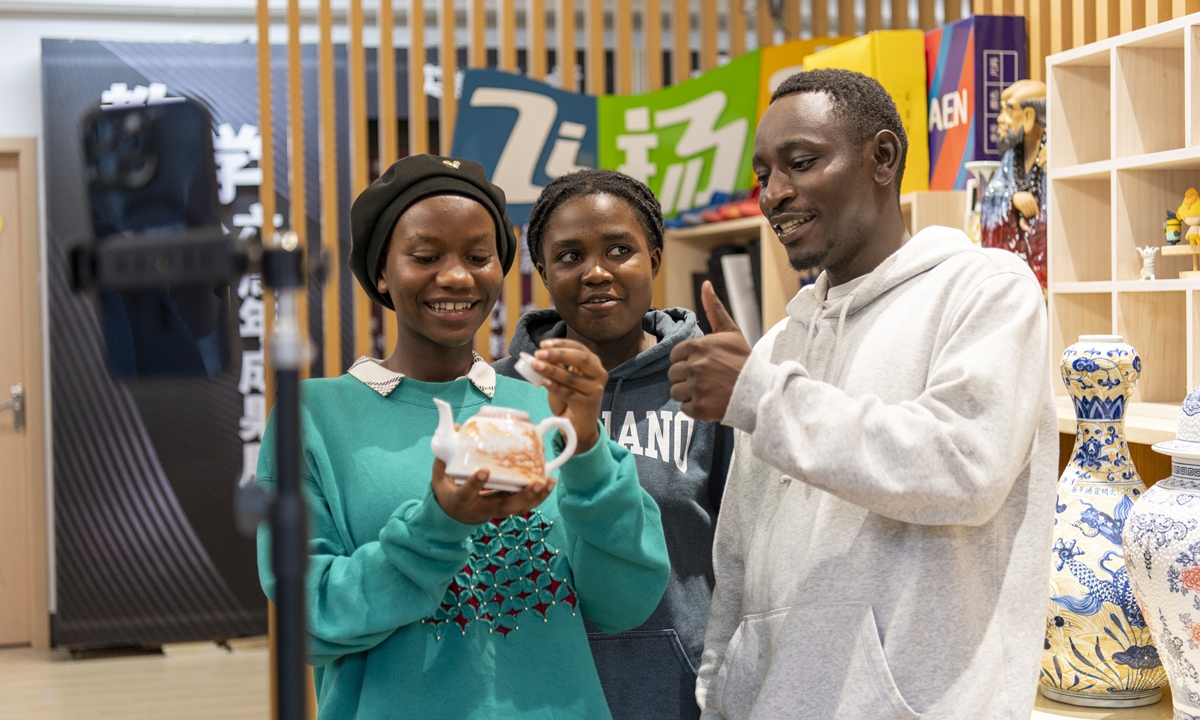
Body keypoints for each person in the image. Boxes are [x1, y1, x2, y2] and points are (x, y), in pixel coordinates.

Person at [670, 69, 1057, 719]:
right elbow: (737, 556)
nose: (776, 194)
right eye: (764, 175)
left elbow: (965, 468)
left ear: (882, 157)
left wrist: (764, 397)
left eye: (802, 162)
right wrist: (717, 693)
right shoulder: (775, 351)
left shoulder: (985, 292)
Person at [254, 154, 671, 719]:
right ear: (381, 272)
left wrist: (590, 454)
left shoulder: (539, 407)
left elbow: (624, 601)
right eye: (426, 256)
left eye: (479, 257)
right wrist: (438, 523)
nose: (456, 276)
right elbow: (308, 619)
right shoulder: (315, 418)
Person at [495, 169, 733, 720]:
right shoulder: (502, 392)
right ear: (545, 272)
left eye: (619, 250)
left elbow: (748, 554)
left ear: (653, 259)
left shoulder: (709, 384)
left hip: (678, 696)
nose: (596, 272)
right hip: (533, 694)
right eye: (570, 256)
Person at [982, 79, 1048, 289]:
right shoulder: (1012, 157)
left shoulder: (1052, 154)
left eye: (1009, 112)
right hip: (1017, 273)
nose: (1001, 119)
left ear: (1029, 116)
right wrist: (1012, 199)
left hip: (1048, 269)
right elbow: (991, 196)